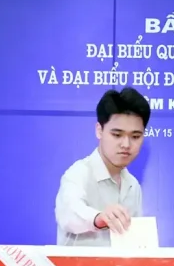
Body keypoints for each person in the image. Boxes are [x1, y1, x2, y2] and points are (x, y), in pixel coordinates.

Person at [54, 88, 150, 246]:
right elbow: (68, 214)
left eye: (135, 136)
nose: (126, 144)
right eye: (117, 135)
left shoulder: (133, 186)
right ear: (99, 131)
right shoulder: (78, 173)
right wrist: (99, 218)